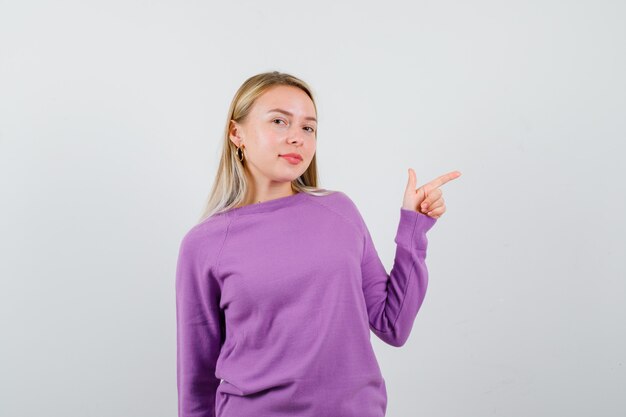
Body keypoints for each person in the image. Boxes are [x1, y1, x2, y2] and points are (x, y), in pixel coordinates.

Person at [175, 70, 461, 417]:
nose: (297, 137)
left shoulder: (339, 212)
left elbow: (393, 326)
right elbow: (196, 382)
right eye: (280, 121)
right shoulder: (204, 244)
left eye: (308, 127)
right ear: (237, 133)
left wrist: (414, 229)